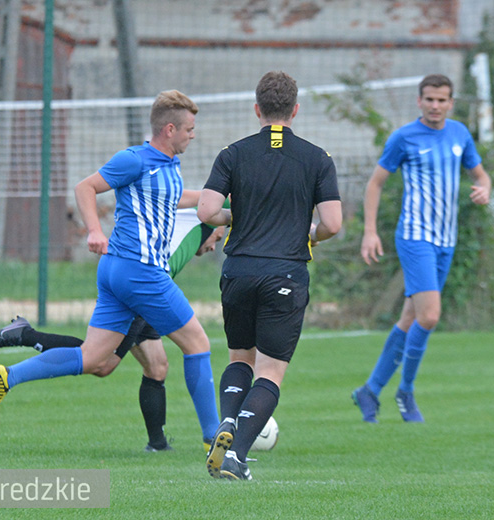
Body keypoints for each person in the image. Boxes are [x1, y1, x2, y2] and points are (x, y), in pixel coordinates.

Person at [0, 90, 221, 449]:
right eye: (189, 129)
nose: (193, 134)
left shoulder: (169, 166)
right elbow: (86, 187)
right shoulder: (135, 159)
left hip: (118, 272)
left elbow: (180, 198)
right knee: (198, 344)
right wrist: (94, 230)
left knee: (93, 358)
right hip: (140, 271)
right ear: (169, 129)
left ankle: (6, 377)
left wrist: (226, 202)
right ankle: (214, 438)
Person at [197, 71, 342, 480]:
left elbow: (206, 212)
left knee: (239, 358)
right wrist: (308, 232)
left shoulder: (233, 153)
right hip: (286, 274)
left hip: (239, 270)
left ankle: (225, 422)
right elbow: (333, 222)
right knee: (271, 370)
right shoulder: (317, 158)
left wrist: (234, 215)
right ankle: (236, 455)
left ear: (257, 109)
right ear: (294, 110)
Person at [0, 209, 226, 452]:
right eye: (217, 238)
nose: (215, 246)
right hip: (144, 283)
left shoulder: (185, 213)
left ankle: (158, 445)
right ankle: (21, 347)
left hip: (141, 278)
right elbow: (220, 195)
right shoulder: (202, 212)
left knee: (157, 365)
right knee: (101, 362)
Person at [352, 73, 491, 424]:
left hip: (447, 240)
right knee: (429, 316)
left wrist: (484, 189)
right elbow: (375, 184)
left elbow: (481, 175)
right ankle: (406, 392)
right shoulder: (404, 138)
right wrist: (370, 232)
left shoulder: (460, 134)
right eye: (429, 99)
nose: (435, 105)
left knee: (411, 318)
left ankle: (369, 391)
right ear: (419, 101)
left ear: (451, 102)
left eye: (442, 100)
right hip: (416, 237)